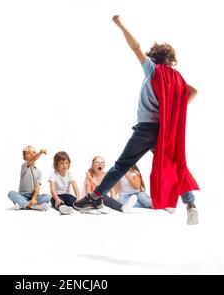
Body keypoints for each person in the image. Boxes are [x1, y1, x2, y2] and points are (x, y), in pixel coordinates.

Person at [74, 15, 200, 225]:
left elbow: (136, 47)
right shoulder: (177, 79)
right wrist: (175, 110)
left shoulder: (153, 70)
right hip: (164, 131)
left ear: (155, 57)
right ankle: (191, 204)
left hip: (145, 130)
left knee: (122, 165)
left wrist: (120, 25)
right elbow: (193, 91)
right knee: (176, 164)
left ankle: (95, 197)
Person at [7, 146, 51, 211]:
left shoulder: (39, 172)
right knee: (11, 193)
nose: (32, 154)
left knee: (48, 196)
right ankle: (34, 206)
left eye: (34, 152)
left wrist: (34, 198)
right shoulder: (24, 165)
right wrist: (40, 153)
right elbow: (33, 159)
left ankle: (23, 205)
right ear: (24, 157)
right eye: (28, 153)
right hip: (22, 196)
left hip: (33, 196)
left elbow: (37, 187)